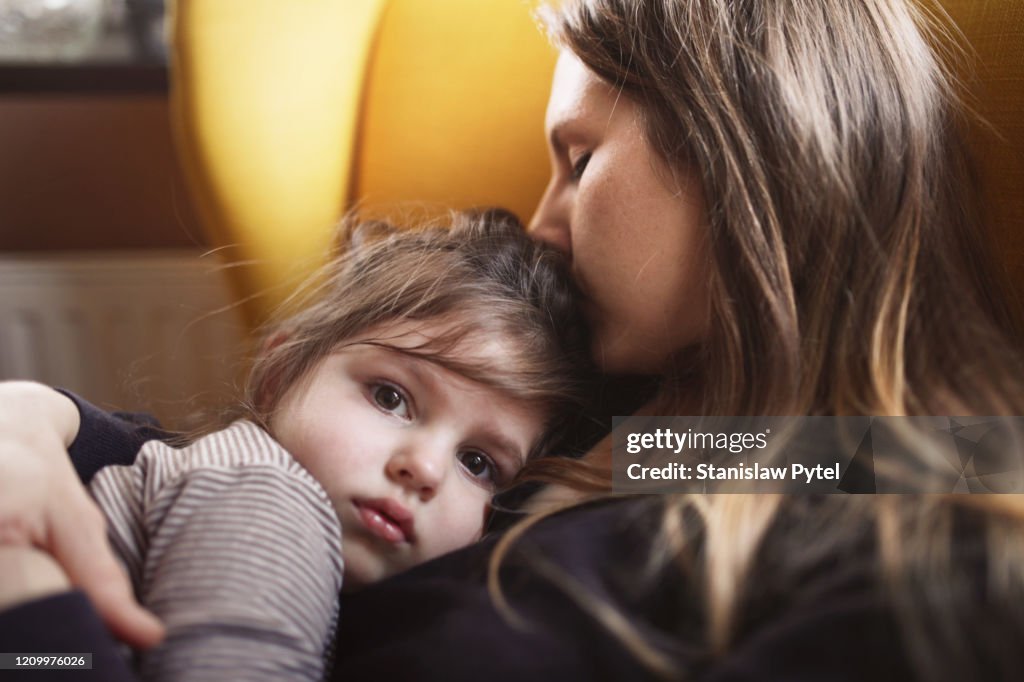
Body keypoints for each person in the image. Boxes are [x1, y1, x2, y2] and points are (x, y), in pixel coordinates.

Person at [2, 0, 1024, 680]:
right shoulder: (672, 438)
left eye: (577, 160)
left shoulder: (920, 555)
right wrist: (35, 417)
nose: (542, 223)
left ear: (746, 157)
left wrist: (36, 619)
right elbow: (245, 460)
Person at [0, 210, 597, 681]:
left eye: (478, 463)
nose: (423, 468)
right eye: (390, 397)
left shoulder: (678, 455)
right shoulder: (270, 500)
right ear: (280, 375)